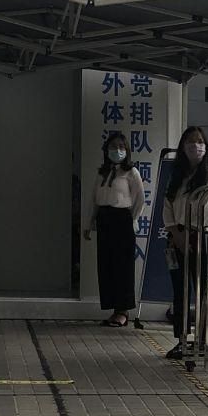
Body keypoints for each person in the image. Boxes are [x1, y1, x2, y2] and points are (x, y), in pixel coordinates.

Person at [164, 125, 208, 360]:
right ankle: (181, 339)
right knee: (180, 291)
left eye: (199, 142)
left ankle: (205, 339)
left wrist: (191, 233)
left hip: (201, 237)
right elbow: (167, 207)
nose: (195, 146)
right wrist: (176, 234)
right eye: (190, 142)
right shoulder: (177, 176)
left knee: (203, 290)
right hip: (176, 237)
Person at [87, 130, 144, 326]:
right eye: (113, 146)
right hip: (104, 219)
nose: (117, 150)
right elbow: (94, 199)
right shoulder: (101, 173)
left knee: (123, 266)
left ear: (127, 150)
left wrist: (132, 219)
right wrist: (89, 223)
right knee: (107, 265)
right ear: (106, 149)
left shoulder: (131, 172)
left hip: (122, 220)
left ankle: (123, 310)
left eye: (121, 147)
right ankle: (113, 309)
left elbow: (139, 199)